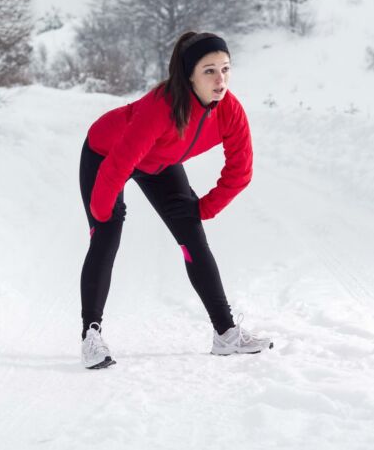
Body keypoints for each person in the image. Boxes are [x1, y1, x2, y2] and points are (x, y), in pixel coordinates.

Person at [78, 31, 273, 369]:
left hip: (160, 163)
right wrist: (102, 213)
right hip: (106, 152)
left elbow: (240, 170)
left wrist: (202, 209)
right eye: (209, 70)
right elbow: (119, 163)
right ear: (189, 75)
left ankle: (225, 334)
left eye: (226, 68)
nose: (220, 79)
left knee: (193, 239)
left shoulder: (229, 110)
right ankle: (91, 336)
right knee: (107, 235)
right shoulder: (162, 106)